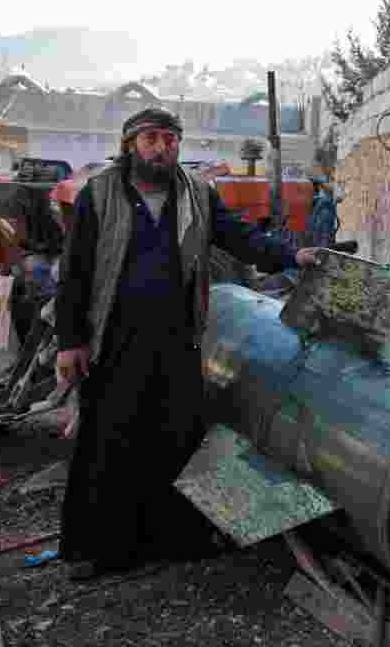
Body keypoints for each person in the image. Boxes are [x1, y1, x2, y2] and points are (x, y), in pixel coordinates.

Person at [54, 107, 319, 579]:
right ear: (131, 144)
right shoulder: (101, 193)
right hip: (113, 337)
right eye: (152, 138)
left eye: (170, 139)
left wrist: (291, 254)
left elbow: (238, 237)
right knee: (108, 440)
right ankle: (98, 550)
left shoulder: (197, 193)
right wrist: (70, 341)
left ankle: (177, 540)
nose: (162, 147)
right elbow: (75, 272)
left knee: (175, 436)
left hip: (177, 336)